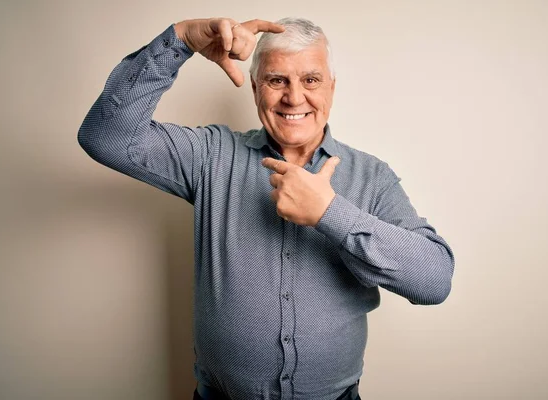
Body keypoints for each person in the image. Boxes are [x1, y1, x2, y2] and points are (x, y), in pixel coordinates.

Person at [78, 16, 455, 400]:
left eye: (311, 80)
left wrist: (331, 213)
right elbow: (106, 136)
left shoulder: (372, 176)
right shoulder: (211, 155)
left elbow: (435, 280)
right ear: (256, 87)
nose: (294, 97)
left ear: (331, 88)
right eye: (278, 81)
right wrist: (180, 40)